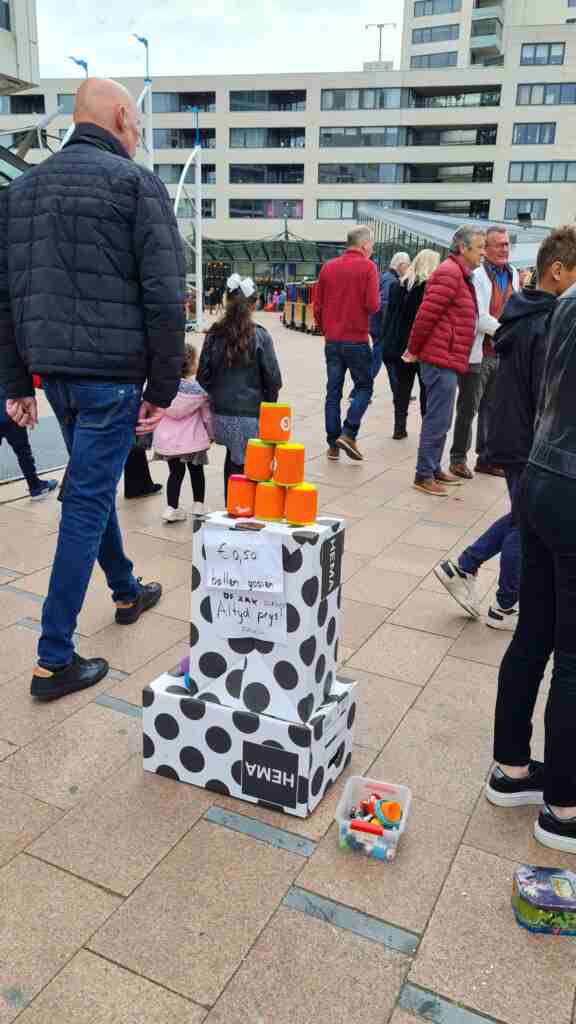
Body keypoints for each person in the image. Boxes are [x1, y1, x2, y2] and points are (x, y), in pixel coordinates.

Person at [0, 78, 186, 701]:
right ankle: (53, 658)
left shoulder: (20, 192)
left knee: (90, 481)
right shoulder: (137, 184)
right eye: (135, 125)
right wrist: (164, 385)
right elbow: (164, 294)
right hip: (111, 377)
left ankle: (127, 589)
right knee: (84, 500)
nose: (137, 136)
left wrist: (14, 381)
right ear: (122, 116)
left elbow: (5, 298)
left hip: (54, 374)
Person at [482, 225, 576, 853]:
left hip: (544, 475)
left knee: (534, 631)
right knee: (572, 656)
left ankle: (512, 767)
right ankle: (564, 807)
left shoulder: (566, 303)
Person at [436, 229, 574, 630]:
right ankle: (504, 603)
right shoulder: (547, 321)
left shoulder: (524, 309)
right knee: (523, 521)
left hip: (512, 430)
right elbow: (545, 389)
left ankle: (466, 568)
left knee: (521, 516)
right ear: (558, 271)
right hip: (527, 436)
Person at [406, 225, 485, 496]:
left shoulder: (460, 274)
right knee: (438, 419)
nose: (483, 253)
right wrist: (413, 349)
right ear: (463, 248)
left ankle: (434, 468)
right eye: (480, 247)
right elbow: (425, 316)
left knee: (442, 418)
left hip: (448, 357)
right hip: (440, 358)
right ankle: (423, 474)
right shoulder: (450, 273)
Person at [197, 273, 282, 499]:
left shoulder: (214, 334)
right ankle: (242, 510)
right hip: (250, 416)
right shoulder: (260, 335)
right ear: (253, 304)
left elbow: (202, 377)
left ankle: (232, 507)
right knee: (248, 464)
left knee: (233, 457)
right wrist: (267, 405)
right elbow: (274, 380)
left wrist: (217, 395)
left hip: (220, 418)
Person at [450, 226, 519, 480]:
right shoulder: (477, 275)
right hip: (479, 352)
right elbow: (479, 317)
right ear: (485, 249)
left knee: (493, 409)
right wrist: (506, 332)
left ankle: (486, 458)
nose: (504, 249)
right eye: (498, 245)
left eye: (507, 244)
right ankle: (458, 458)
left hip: (502, 353)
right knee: (469, 409)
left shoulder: (512, 274)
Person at [314, 225, 380, 462]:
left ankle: (333, 444)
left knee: (333, 391)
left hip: (333, 340)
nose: (372, 249)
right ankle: (349, 432)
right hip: (357, 338)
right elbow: (373, 305)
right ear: (364, 245)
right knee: (364, 387)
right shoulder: (368, 267)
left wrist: (328, 329)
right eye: (371, 245)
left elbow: (318, 306)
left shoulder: (328, 268)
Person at [381, 249, 440, 440]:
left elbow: (390, 317)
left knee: (402, 388)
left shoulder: (398, 286)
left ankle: (399, 427)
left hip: (401, 345)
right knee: (426, 389)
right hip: (424, 346)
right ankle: (426, 429)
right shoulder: (431, 289)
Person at [153, 341, 212, 522]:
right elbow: (207, 416)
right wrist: (211, 434)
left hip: (169, 441)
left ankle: (171, 508)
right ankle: (199, 504)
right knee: (196, 471)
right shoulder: (199, 392)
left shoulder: (163, 388)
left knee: (175, 473)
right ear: (192, 364)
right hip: (193, 440)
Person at [0, 383, 58, 499]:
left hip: (9, 409)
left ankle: (35, 486)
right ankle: (35, 486)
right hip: (11, 412)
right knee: (23, 453)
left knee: (23, 453)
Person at [369, 251, 410, 387]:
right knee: (378, 360)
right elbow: (385, 304)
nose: (409, 269)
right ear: (401, 265)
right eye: (407, 265)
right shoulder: (391, 280)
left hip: (378, 326)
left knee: (389, 362)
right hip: (382, 329)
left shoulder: (386, 277)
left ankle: (399, 390)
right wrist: (389, 328)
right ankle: (358, 391)